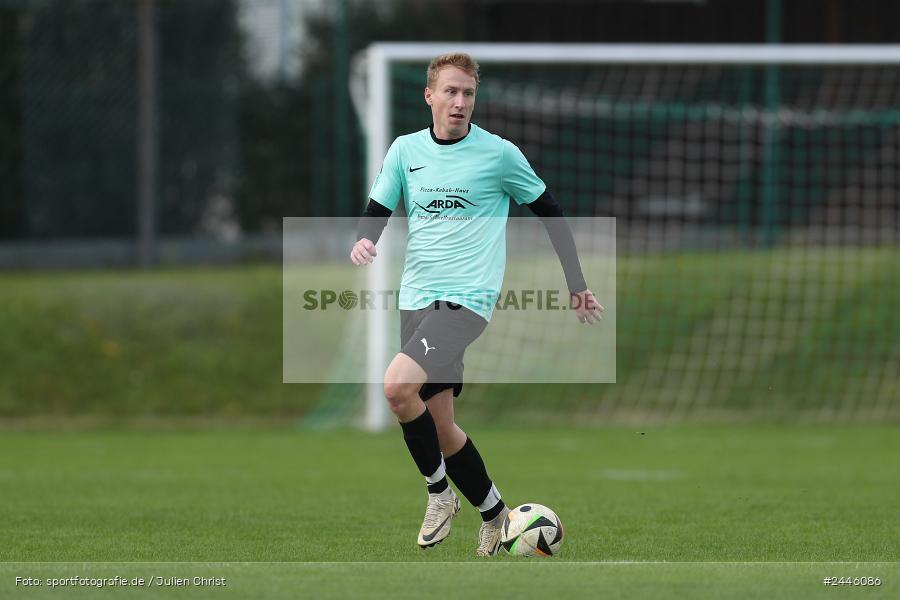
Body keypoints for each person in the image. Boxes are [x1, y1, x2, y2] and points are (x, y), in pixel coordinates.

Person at [350, 52, 603, 556]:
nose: (460, 101)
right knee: (440, 426)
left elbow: (550, 212)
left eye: (468, 93)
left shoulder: (500, 154)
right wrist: (364, 239)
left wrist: (576, 282)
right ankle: (495, 514)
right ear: (430, 95)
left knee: (397, 387)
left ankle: (439, 495)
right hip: (417, 299)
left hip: (467, 301)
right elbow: (378, 206)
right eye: (450, 91)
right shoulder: (405, 151)